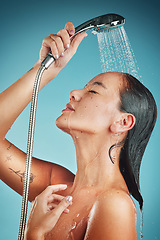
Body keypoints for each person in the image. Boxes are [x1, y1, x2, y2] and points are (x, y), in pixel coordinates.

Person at [0, 22, 157, 240]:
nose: (74, 92)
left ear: (122, 122)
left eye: (93, 90)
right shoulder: (57, 187)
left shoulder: (114, 204)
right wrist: (44, 71)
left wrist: (34, 233)